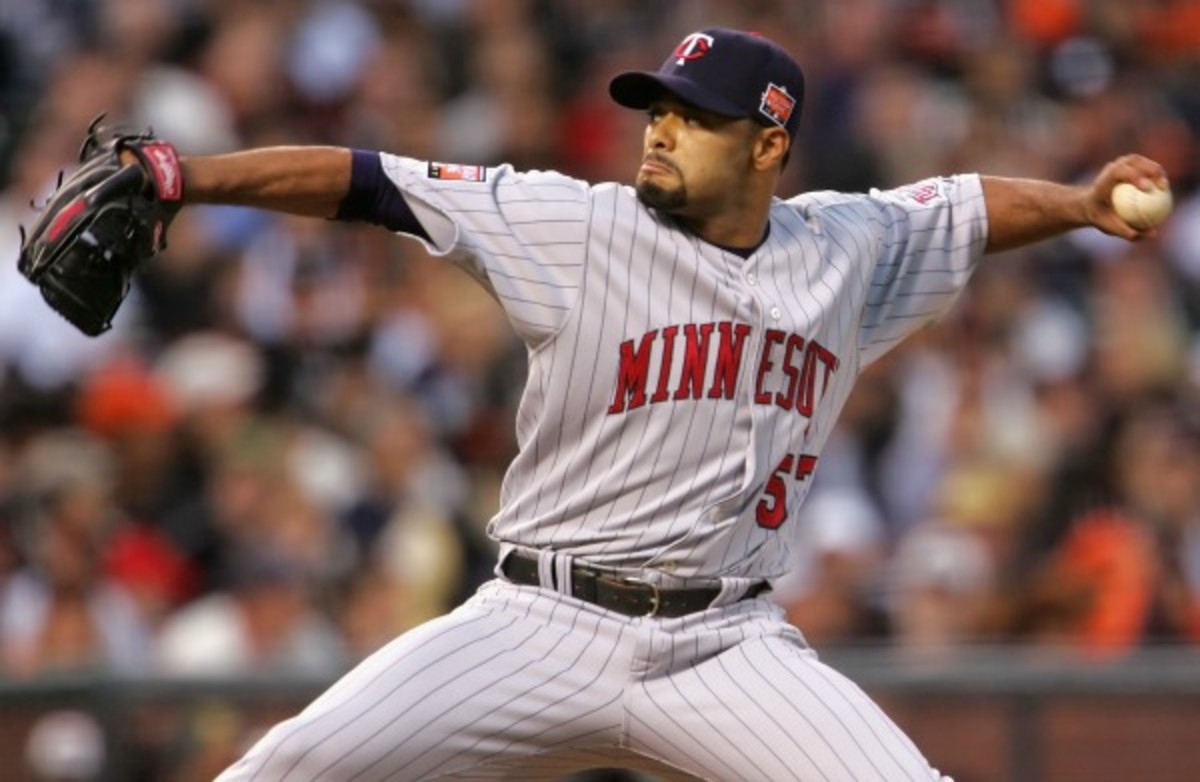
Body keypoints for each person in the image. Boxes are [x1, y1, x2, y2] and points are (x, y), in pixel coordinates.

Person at [130, 27, 1165, 781]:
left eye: (695, 118)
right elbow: (368, 181)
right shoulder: (575, 224)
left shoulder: (844, 243)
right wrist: (187, 176)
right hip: (539, 620)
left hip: (727, 643)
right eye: (658, 110)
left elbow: (972, 208)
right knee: (289, 767)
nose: (661, 131)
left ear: (768, 146)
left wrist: (1079, 204)